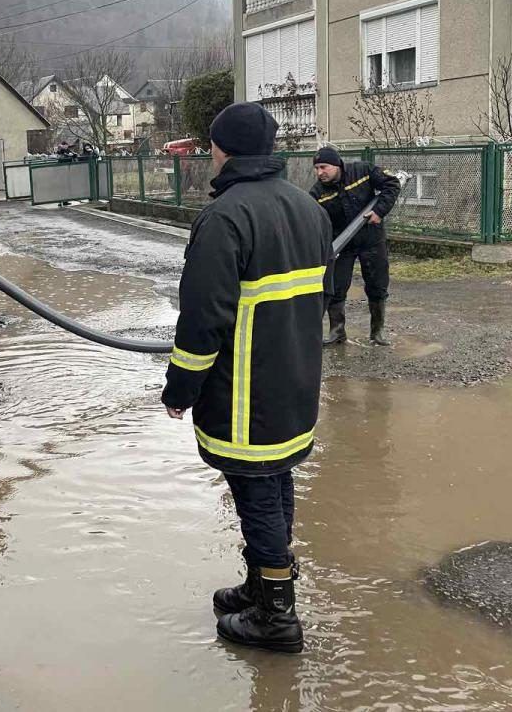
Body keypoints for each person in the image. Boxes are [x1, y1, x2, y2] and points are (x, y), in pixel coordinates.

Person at [162, 102, 331, 654]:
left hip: (245, 392)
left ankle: (275, 616)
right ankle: (265, 582)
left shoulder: (224, 217)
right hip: (295, 382)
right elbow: (321, 300)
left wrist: (180, 390)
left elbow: (203, 319)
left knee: (256, 490)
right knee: (277, 480)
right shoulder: (308, 208)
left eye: (210, 146)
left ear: (223, 149)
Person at [309, 147, 401, 346]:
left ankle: (377, 332)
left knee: (377, 285)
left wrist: (379, 211)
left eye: (323, 167)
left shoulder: (362, 171)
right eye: (316, 168)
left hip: (371, 240)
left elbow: (392, 184)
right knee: (336, 287)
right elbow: (313, 221)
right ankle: (337, 332)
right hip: (343, 245)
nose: (319, 172)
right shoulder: (317, 193)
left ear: (336, 164)